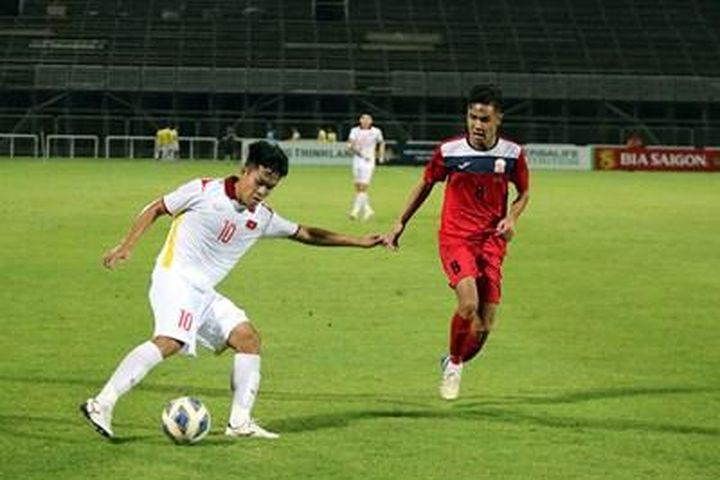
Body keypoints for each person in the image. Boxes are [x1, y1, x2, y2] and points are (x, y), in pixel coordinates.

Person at [81, 141, 383, 440]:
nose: (263, 191)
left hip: (203, 292)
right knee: (170, 340)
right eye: (260, 182)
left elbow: (305, 233)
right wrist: (127, 245)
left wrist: (358, 241)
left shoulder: (261, 217)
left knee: (247, 338)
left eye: (270, 187)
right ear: (245, 170)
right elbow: (157, 208)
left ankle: (239, 423)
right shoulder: (203, 190)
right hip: (174, 277)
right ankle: (101, 403)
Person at [383, 85, 530, 401]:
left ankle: (451, 358)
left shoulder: (513, 154)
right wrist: (400, 222)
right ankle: (455, 367)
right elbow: (425, 185)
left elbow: (524, 193)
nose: (477, 125)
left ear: (498, 119)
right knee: (468, 304)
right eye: (473, 117)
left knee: (484, 327)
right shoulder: (449, 152)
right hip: (456, 238)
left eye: (485, 119)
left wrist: (512, 217)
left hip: (491, 243)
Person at [347, 113, 385, 220]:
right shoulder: (354, 131)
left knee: (363, 187)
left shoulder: (376, 131)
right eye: (363, 118)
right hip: (357, 160)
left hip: (368, 162)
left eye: (368, 119)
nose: (365, 121)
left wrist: (380, 156)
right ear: (360, 120)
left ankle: (355, 211)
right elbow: (350, 145)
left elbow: (381, 143)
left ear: (371, 121)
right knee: (358, 188)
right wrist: (356, 151)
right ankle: (368, 210)